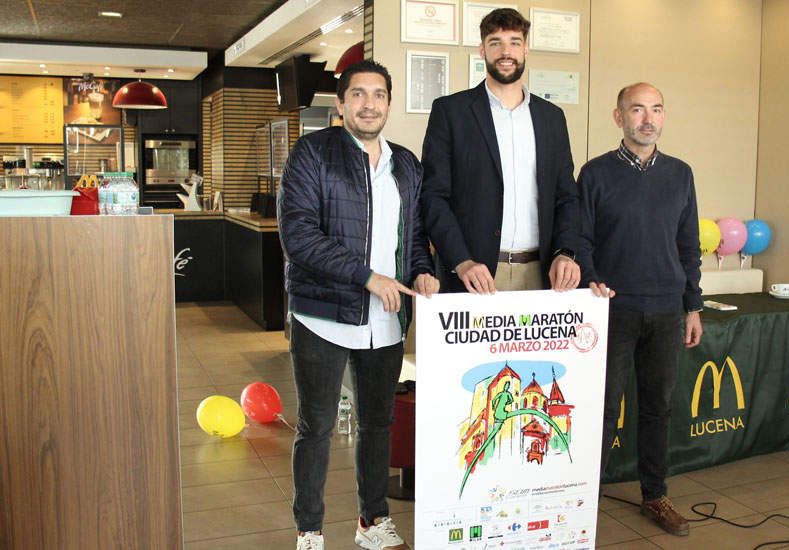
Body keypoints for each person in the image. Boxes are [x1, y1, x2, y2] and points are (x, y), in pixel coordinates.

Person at [278, 60, 439, 550]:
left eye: (378, 95)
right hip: (322, 316)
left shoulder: (406, 164)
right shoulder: (312, 153)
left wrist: (421, 270)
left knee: (377, 424)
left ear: (389, 103)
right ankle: (309, 531)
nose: (369, 104)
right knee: (317, 427)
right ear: (343, 102)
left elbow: (411, 238)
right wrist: (366, 277)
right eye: (359, 94)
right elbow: (299, 236)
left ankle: (373, 522)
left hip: (385, 323)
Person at [579, 83, 704, 537]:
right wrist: (592, 281)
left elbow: (689, 246)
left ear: (664, 117)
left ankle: (656, 495)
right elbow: (582, 241)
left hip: (668, 311)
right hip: (613, 311)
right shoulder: (595, 174)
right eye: (637, 109)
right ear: (619, 117)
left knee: (657, 408)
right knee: (603, 410)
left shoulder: (680, 174)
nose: (647, 118)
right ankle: (583, 501)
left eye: (655, 109)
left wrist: (693, 305)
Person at [421, 7, 580, 294]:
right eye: (496, 43)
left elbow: (566, 196)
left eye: (514, 42)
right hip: (473, 276)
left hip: (541, 274)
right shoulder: (451, 112)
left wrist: (565, 251)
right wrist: (461, 261)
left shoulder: (551, 118)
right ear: (482, 50)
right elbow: (434, 196)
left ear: (526, 49)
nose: (506, 52)